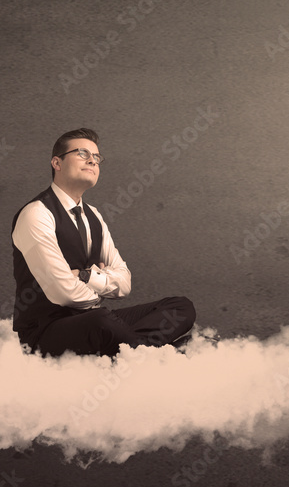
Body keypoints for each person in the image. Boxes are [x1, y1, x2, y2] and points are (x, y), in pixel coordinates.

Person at [10, 127, 195, 357]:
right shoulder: (36, 213)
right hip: (44, 333)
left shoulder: (94, 216)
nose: (93, 161)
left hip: (92, 321)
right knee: (102, 320)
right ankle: (163, 357)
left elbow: (125, 282)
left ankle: (135, 352)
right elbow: (63, 293)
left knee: (179, 307)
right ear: (57, 163)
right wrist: (102, 288)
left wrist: (85, 276)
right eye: (82, 154)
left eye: (96, 157)